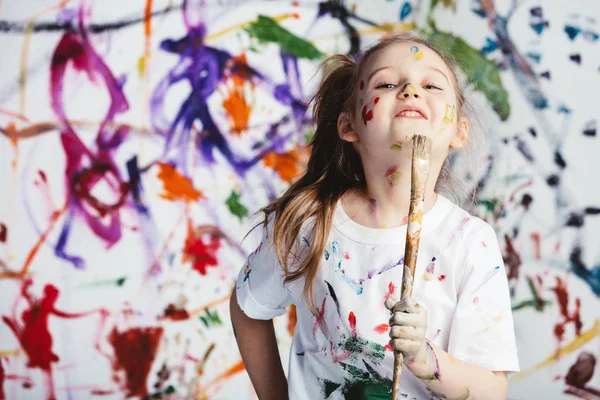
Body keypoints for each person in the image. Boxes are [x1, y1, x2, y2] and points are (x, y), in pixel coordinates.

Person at [230, 32, 519, 400]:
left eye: (431, 84)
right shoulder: (312, 222)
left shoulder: (470, 242)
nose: (411, 90)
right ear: (348, 125)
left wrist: (423, 357)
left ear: (459, 131)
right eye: (386, 82)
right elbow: (247, 307)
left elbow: (492, 392)